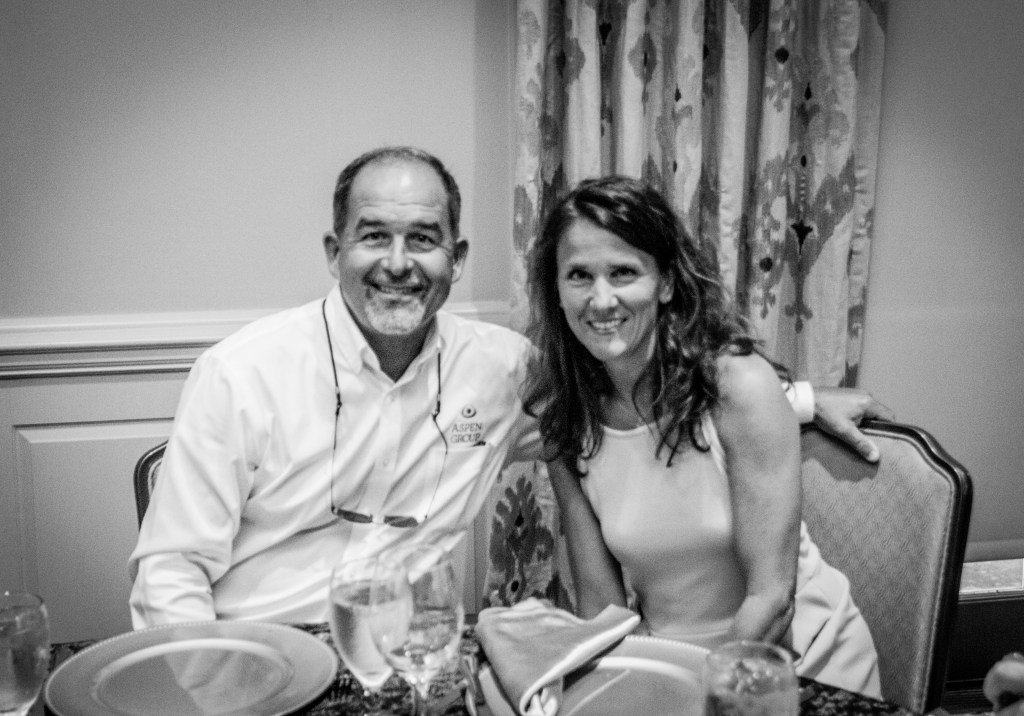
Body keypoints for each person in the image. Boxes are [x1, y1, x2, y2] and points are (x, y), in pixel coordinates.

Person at [129, 146, 892, 628]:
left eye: (423, 239)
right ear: (335, 252)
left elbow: (648, 390)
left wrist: (796, 399)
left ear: (456, 259)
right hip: (265, 656)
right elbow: (170, 572)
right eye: (374, 236)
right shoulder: (240, 374)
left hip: (412, 655)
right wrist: (216, 685)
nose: (398, 262)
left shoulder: (501, 367)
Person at [523, 175, 882, 696]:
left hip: (796, 666)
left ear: (666, 283)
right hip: (670, 666)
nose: (601, 300)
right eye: (579, 275)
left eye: (623, 272)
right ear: (556, 290)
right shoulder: (566, 420)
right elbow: (602, 608)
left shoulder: (738, 386)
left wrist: (700, 699)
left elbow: (772, 599)